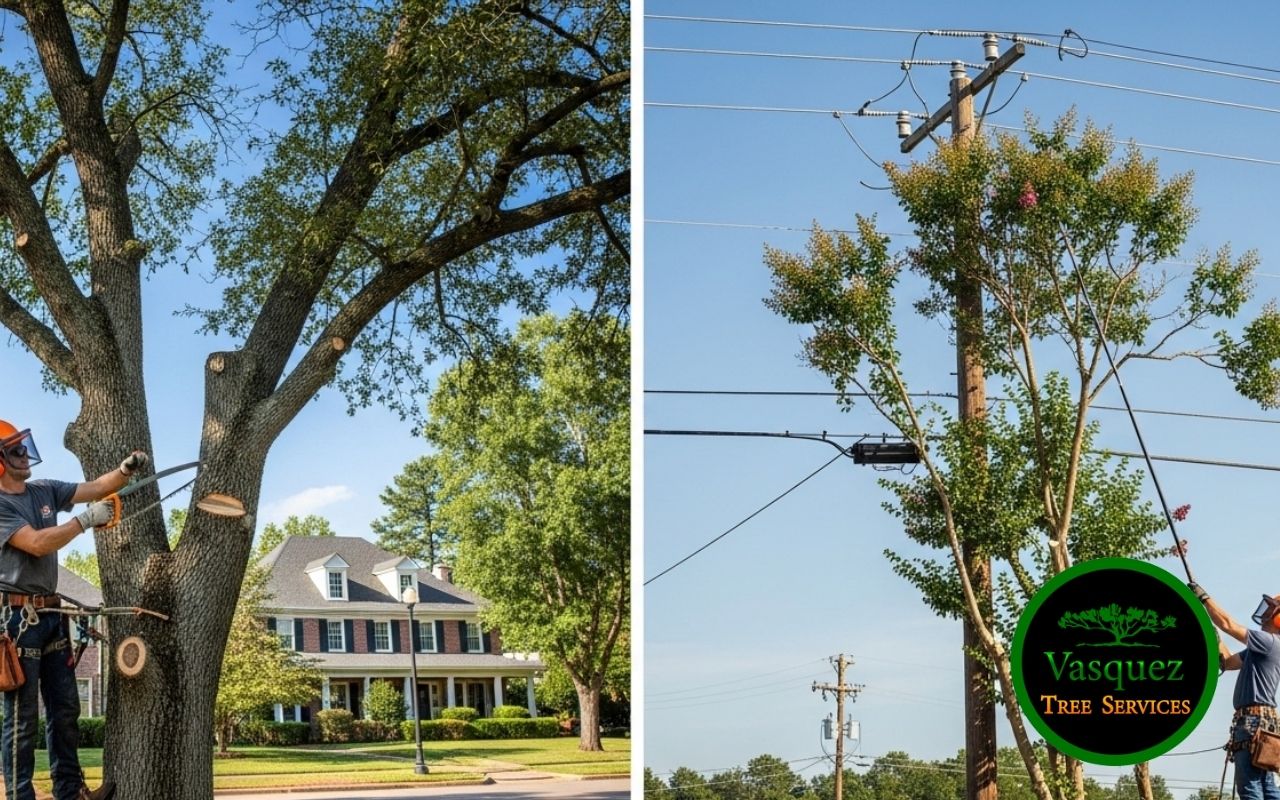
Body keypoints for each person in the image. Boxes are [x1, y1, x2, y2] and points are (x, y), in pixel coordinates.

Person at [0, 420, 148, 800]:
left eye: (23, 445)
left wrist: (125, 470)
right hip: (17, 620)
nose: (23, 453)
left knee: (65, 707)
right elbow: (35, 543)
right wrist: (83, 521)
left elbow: (96, 489)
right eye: (14, 450)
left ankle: (70, 792)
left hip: (50, 614)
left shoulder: (45, 489)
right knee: (22, 718)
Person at [1191, 581, 1280, 800]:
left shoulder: (1269, 642)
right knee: (1268, 789)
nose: (1266, 612)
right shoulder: (1261, 648)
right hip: (1265, 724)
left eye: (1271, 608)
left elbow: (1229, 624)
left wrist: (1204, 598)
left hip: (1252, 721)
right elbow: (1228, 662)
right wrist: (1212, 631)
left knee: (1250, 789)